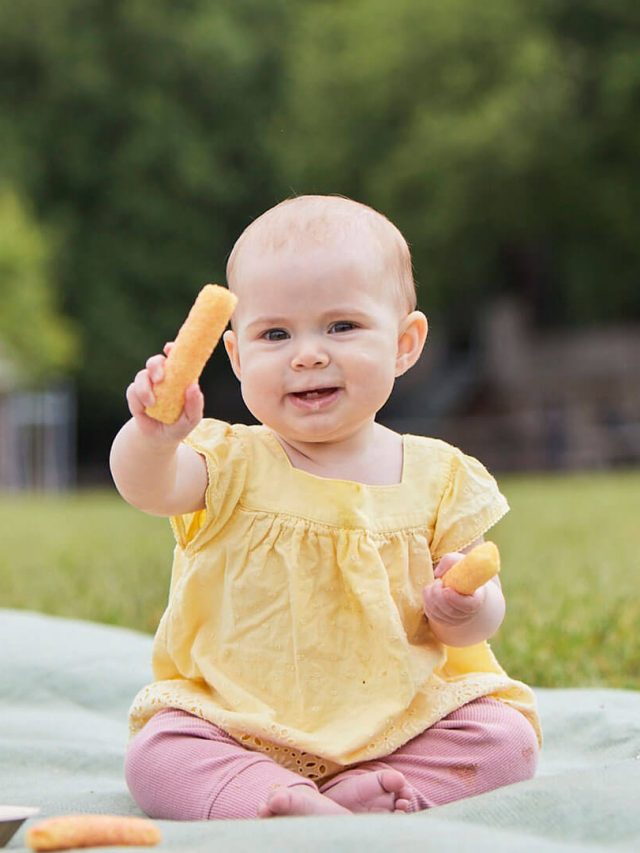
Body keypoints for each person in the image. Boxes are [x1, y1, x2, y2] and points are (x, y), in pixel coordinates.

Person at [110, 195, 541, 821]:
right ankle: (270, 797)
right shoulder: (229, 461)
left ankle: (375, 788)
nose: (307, 353)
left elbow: (476, 620)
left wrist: (466, 606)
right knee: (158, 753)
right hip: (239, 721)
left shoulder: (439, 475)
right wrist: (153, 437)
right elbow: (147, 487)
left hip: (403, 722)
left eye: (340, 326)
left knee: (505, 738)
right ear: (235, 356)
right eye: (275, 334)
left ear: (404, 343)